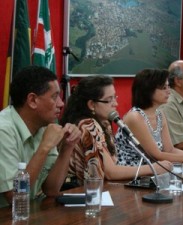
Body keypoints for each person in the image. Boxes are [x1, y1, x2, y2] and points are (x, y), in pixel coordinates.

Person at [60, 76, 172, 185]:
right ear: (91, 104)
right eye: (109, 100)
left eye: (115, 97)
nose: (116, 104)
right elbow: (111, 173)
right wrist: (154, 168)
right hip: (79, 193)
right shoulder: (88, 125)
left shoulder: (104, 123)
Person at [0, 66, 81, 207]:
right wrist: (45, 147)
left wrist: (68, 147)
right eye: (54, 97)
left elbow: (51, 190)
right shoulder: (3, 130)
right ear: (32, 100)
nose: (61, 104)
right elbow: (15, 196)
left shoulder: (43, 126)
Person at [115, 69, 183, 167]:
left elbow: (170, 150)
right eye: (164, 87)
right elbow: (156, 155)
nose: (169, 91)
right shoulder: (135, 117)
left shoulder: (159, 114)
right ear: (148, 90)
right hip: (132, 174)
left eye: (168, 86)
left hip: (154, 172)